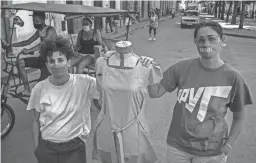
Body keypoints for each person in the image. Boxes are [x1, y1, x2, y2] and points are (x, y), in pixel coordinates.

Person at [144, 21, 253, 163]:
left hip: (212, 152)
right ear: (195, 43)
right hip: (178, 148)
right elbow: (155, 92)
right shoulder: (181, 68)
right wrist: (147, 71)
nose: (206, 44)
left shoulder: (233, 78)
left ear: (222, 40)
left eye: (212, 38)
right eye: (200, 39)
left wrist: (228, 146)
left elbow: (239, 118)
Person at [26, 37, 100, 163]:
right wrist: (38, 150)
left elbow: (108, 88)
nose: (56, 65)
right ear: (47, 64)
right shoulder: (39, 89)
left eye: (60, 60)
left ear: (69, 62)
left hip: (75, 147)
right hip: (47, 148)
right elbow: (36, 121)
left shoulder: (85, 82)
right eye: (51, 61)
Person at [92, 41, 163, 163]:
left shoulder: (145, 66)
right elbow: (99, 96)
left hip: (134, 131)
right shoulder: (101, 63)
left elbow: (155, 92)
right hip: (107, 128)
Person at [11, 11, 57, 96]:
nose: (35, 22)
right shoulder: (39, 31)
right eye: (34, 21)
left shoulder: (50, 30)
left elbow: (42, 44)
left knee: (38, 89)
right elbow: (27, 42)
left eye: (37, 20)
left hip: (51, 62)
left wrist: (29, 50)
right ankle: (27, 89)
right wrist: (11, 44)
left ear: (43, 19)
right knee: (20, 62)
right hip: (42, 59)